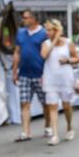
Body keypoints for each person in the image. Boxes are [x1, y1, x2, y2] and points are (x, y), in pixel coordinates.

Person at [40, 19, 79, 146]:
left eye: (49, 30)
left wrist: (68, 60)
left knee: (66, 105)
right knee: (52, 106)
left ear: (57, 30)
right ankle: (55, 135)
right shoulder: (45, 44)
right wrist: (55, 40)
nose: (47, 32)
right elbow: (44, 55)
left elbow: (77, 58)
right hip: (50, 79)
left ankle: (69, 126)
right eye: (46, 30)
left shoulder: (68, 43)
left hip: (65, 79)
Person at [12, 9, 50, 141]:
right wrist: (14, 70)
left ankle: (48, 126)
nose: (23, 20)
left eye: (26, 17)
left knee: (45, 103)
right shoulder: (21, 33)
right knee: (24, 103)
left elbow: (47, 54)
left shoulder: (44, 33)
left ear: (34, 19)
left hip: (40, 74)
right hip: (24, 74)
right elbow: (17, 52)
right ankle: (26, 132)